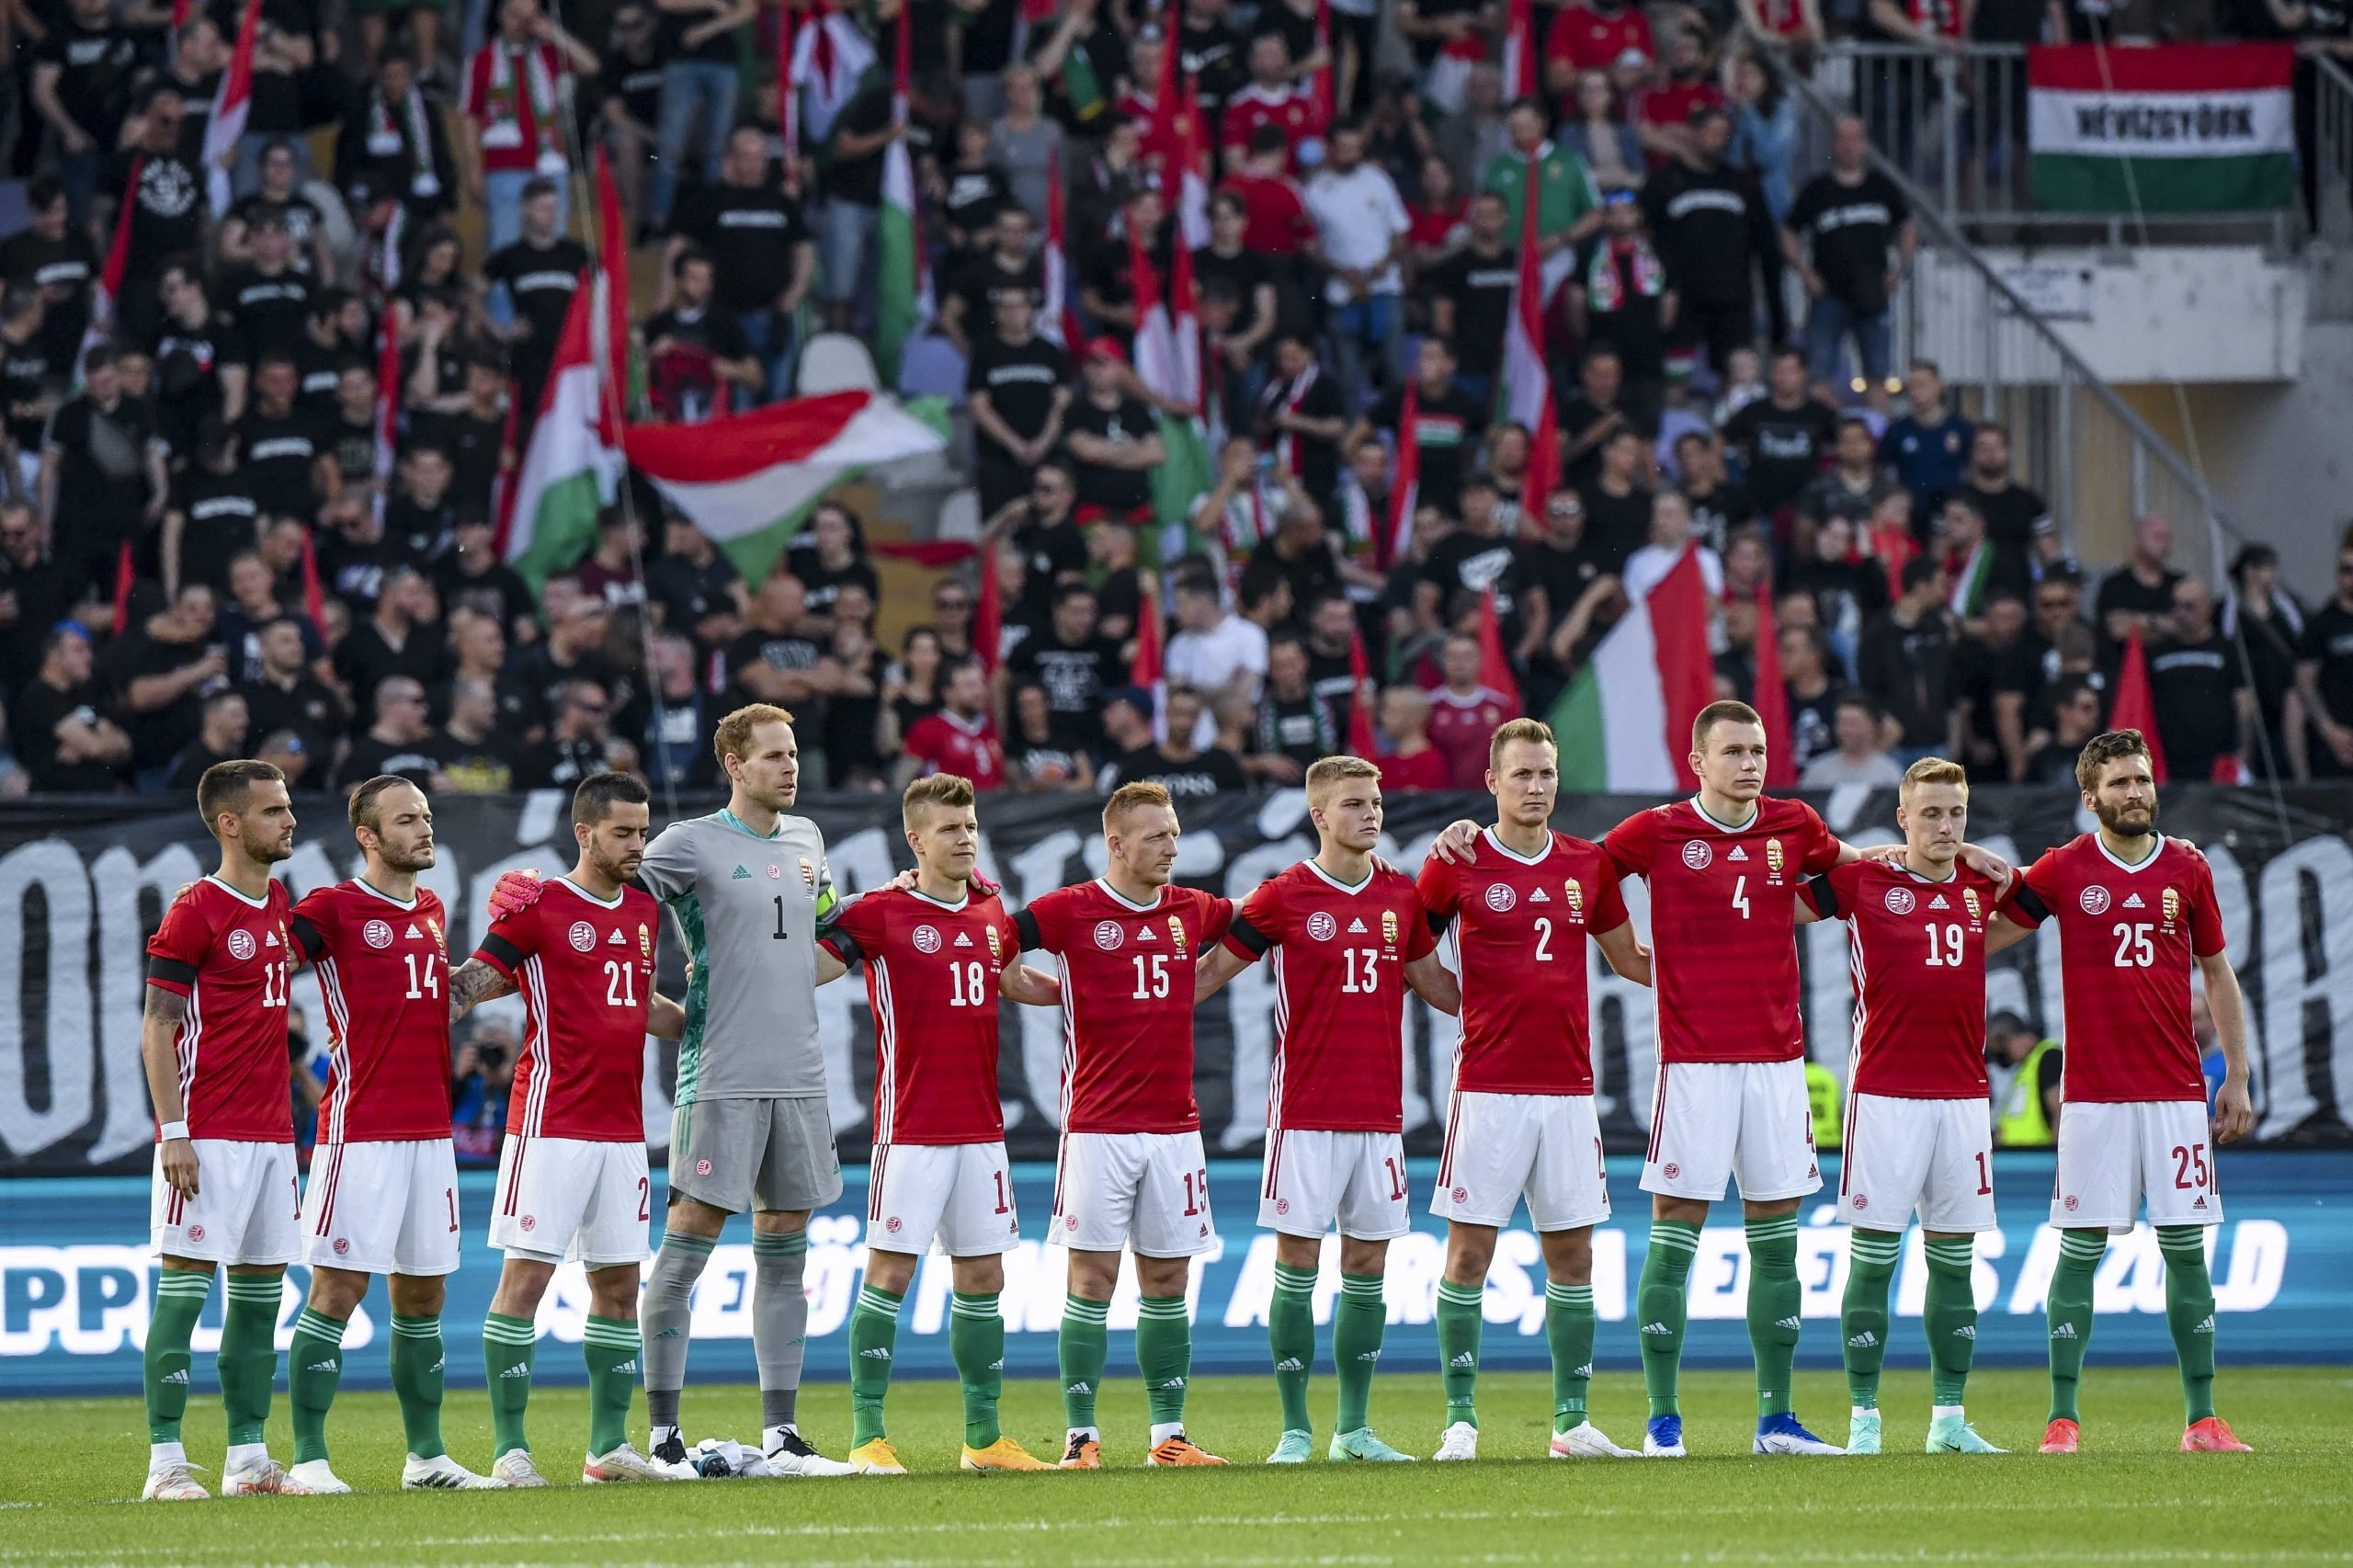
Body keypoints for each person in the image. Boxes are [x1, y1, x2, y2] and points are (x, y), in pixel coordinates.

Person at [1538, 700, 2000, 1457]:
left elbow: (1859, 862)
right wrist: (1627, 953)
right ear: (1698, 762)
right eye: (1733, 752)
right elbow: (1583, 868)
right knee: (1674, 1233)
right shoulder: (1657, 831)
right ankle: (1663, 1422)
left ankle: (1776, 1421)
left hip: (1779, 1064)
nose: (1749, 763)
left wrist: (1958, 850)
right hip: (1693, 1066)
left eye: (1757, 750)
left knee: (1776, 1243)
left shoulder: (1792, 824)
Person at [486, 705, 856, 1476]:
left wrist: (889, 902)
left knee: (787, 1245)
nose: (790, 768)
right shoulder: (685, 844)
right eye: (773, 757)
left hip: (801, 1072)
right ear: (734, 765)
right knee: (688, 1245)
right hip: (720, 1069)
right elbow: (601, 890)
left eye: (793, 754)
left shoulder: (808, 839)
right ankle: (662, 1436)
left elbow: (827, 936)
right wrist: (530, 891)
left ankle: (783, 1436)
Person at [1989, 730, 2256, 1456]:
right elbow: (1989, 935)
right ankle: (2062, 1419)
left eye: (2141, 779)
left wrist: (2236, 1073)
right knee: (2079, 1250)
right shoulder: (2066, 869)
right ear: (2091, 798)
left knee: (2185, 1252)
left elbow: (2217, 973)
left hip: (2175, 1095)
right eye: (2118, 784)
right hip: (2095, 1099)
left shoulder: (2188, 868)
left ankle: (2202, 1419)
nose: (2134, 792)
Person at [1193, 756, 1461, 1465]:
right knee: (1298, 1265)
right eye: (1354, 804)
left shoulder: (1402, 896)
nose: (1370, 813)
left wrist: (1516, 989)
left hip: (1378, 1114)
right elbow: (1211, 971)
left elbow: (1436, 984)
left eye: (1374, 802)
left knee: (1368, 1268)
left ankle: (1353, 1430)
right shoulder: (1282, 896)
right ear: (1319, 817)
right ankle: (1293, 1431)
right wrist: (1131, 1013)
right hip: (1303, 1114)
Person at [813, 772, 1063, 1473]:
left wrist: (1084, 995)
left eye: (971, 825)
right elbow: (811, 969)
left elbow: (1013, 979)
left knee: (983, 1279)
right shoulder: (880, 913)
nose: (965, 839)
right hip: (910, 1129)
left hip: (981, 1132)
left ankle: (982, 1439)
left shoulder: (989, 906)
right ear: (915, 839)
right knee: (889, 1274)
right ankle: (867, 1437)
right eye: (950, 829)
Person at [1415, 719, 1650, 1462]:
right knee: (1468, 1256)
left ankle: (1572, 1422)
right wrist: (1469, 1006)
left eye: (1547, 773)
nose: (1537, 787)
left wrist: (1720, 969)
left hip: (1568, 1091)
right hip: (1487, 1087)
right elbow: (1412, 952)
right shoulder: (1455, 862)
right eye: (1522, 774)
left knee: (1573, 1259)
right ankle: (1459, 1419)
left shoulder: (1586, 864)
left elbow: (1629, 961)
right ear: (1492, 783)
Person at [445, 771, 689, 1485]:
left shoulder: (643, 912)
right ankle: (510, 1452)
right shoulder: (541, 906)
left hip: (623, 1133)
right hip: (548, 1126)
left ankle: (608, 1449)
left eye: (642, 831)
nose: (637, 845)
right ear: (584, 833)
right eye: (623, 833)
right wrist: (420, 987)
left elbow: (643, 1004)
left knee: (618, 1288)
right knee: (525, 1283)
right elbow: (470, 985)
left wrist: (714, 1023)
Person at [276, 778, 495, 1492]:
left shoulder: (430, 909)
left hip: (431, 1134)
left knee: (423, 1297)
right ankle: (308, 1459)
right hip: (359, 1132)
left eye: (427, 817)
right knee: (337, 1289)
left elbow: (435, 999)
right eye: (407, 820)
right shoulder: (332, 908)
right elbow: (268, 961)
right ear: (368, 836)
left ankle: (426, 1457)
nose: (424, 829)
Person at [1011, 783, 1235, 1468]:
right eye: (1157, 836)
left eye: (1174, 833)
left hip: (1175, 1129)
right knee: (1092, 1281)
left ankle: (1168, 1436)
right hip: (1097, 1128)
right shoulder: (1068, 911)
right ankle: (1082, 1437)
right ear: (1117, 844)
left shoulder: (1191, 910)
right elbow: (985, 942)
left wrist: (1205, 978)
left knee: (1168, 1281)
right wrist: (1043, 990)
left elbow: (1265, 924)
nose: (1173, 846)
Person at [1797, 757, 2012, 1457]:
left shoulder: (1984, 882)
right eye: (1930, 814)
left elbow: (2075, 883)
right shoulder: (1866, 880)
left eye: (1955, 814)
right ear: (1902, 818)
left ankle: (1948, 1419)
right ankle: (1865, 1417)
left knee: (1954, 1262)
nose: (1944, 826)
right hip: (1884, 1097)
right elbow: (1780, 901)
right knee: (1874, 1261)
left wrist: (2177, 848)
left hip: (1963, 1101)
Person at [137, 761, 304, 1500]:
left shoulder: (278, 902)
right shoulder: (195, 911)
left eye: (289, 808)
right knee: (183, 1293)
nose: (290, 820)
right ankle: (166, 1464)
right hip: (206, 1134)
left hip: (274, 1137)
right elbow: (156, 1026)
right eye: (273, 811)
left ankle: (247, 1458)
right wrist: (173, 1130)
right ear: (229, 823)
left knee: (261, 1300)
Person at [1782, 117, 1914, 398]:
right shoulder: (1817, 190)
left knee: (1878, 377)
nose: (1849, 146)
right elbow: (1788, 232)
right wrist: (1805, 272)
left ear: (1865, 144)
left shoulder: (1881, 187)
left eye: (1855, 138)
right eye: (1842, 138)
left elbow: (1908, 226)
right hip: (1828, 294)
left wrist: (1899, 269)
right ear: (1834, 144)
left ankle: (1874, 437)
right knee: (1818, 375)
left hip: (1872, 294)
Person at [2146, 577, 2253, 785]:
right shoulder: (2156, 651)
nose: (2180, 613)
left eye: (2189, 606)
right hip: (2168, 764)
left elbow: (2244, 703)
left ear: (2208, 609)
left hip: (2217, 763)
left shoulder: (2227, 649)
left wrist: (2244, 751)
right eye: (2175, 605)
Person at [900, 660, 1007, 790]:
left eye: (981, 684)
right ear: (948, 693)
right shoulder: (928, 728)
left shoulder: (992, 728)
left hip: (995, 808)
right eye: (970, 686)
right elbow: (901, 780)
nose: (979, 692)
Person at [1989, 1009, 2062, 1149]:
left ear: (2004, 1038)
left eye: (1999, 1049)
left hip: (2039, 1162)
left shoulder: (2048, 1058)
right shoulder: (2024, 1072)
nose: (2000, 1057)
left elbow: (2059, 1111)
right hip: (2017, 1162)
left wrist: (2056, 1159)